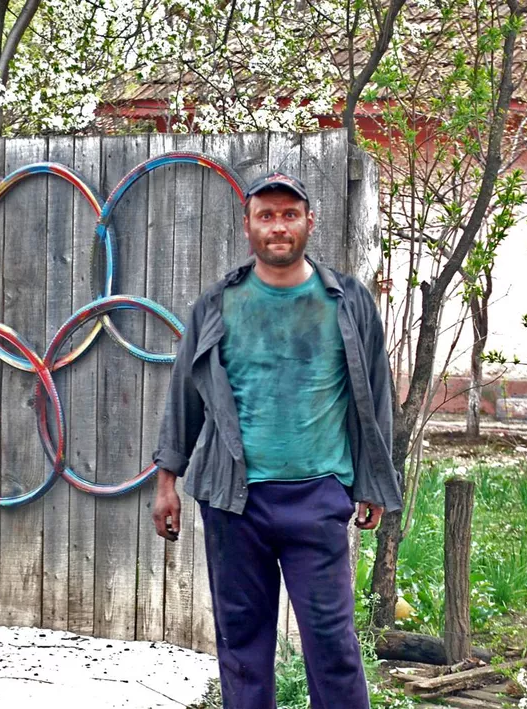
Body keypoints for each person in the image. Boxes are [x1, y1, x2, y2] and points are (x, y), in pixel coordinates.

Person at [151, 171, 403, 708]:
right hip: (234, 503)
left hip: (318, 498)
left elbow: (376, 396)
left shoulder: (348, 301)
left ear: (310, 221)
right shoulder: (217, 304)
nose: (279, 227)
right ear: (248, 226)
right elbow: (185, 396)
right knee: (243, 647)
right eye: (266, 216)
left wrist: (374, 482)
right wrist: (166, 482)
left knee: (332, 646)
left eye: (289, 215)